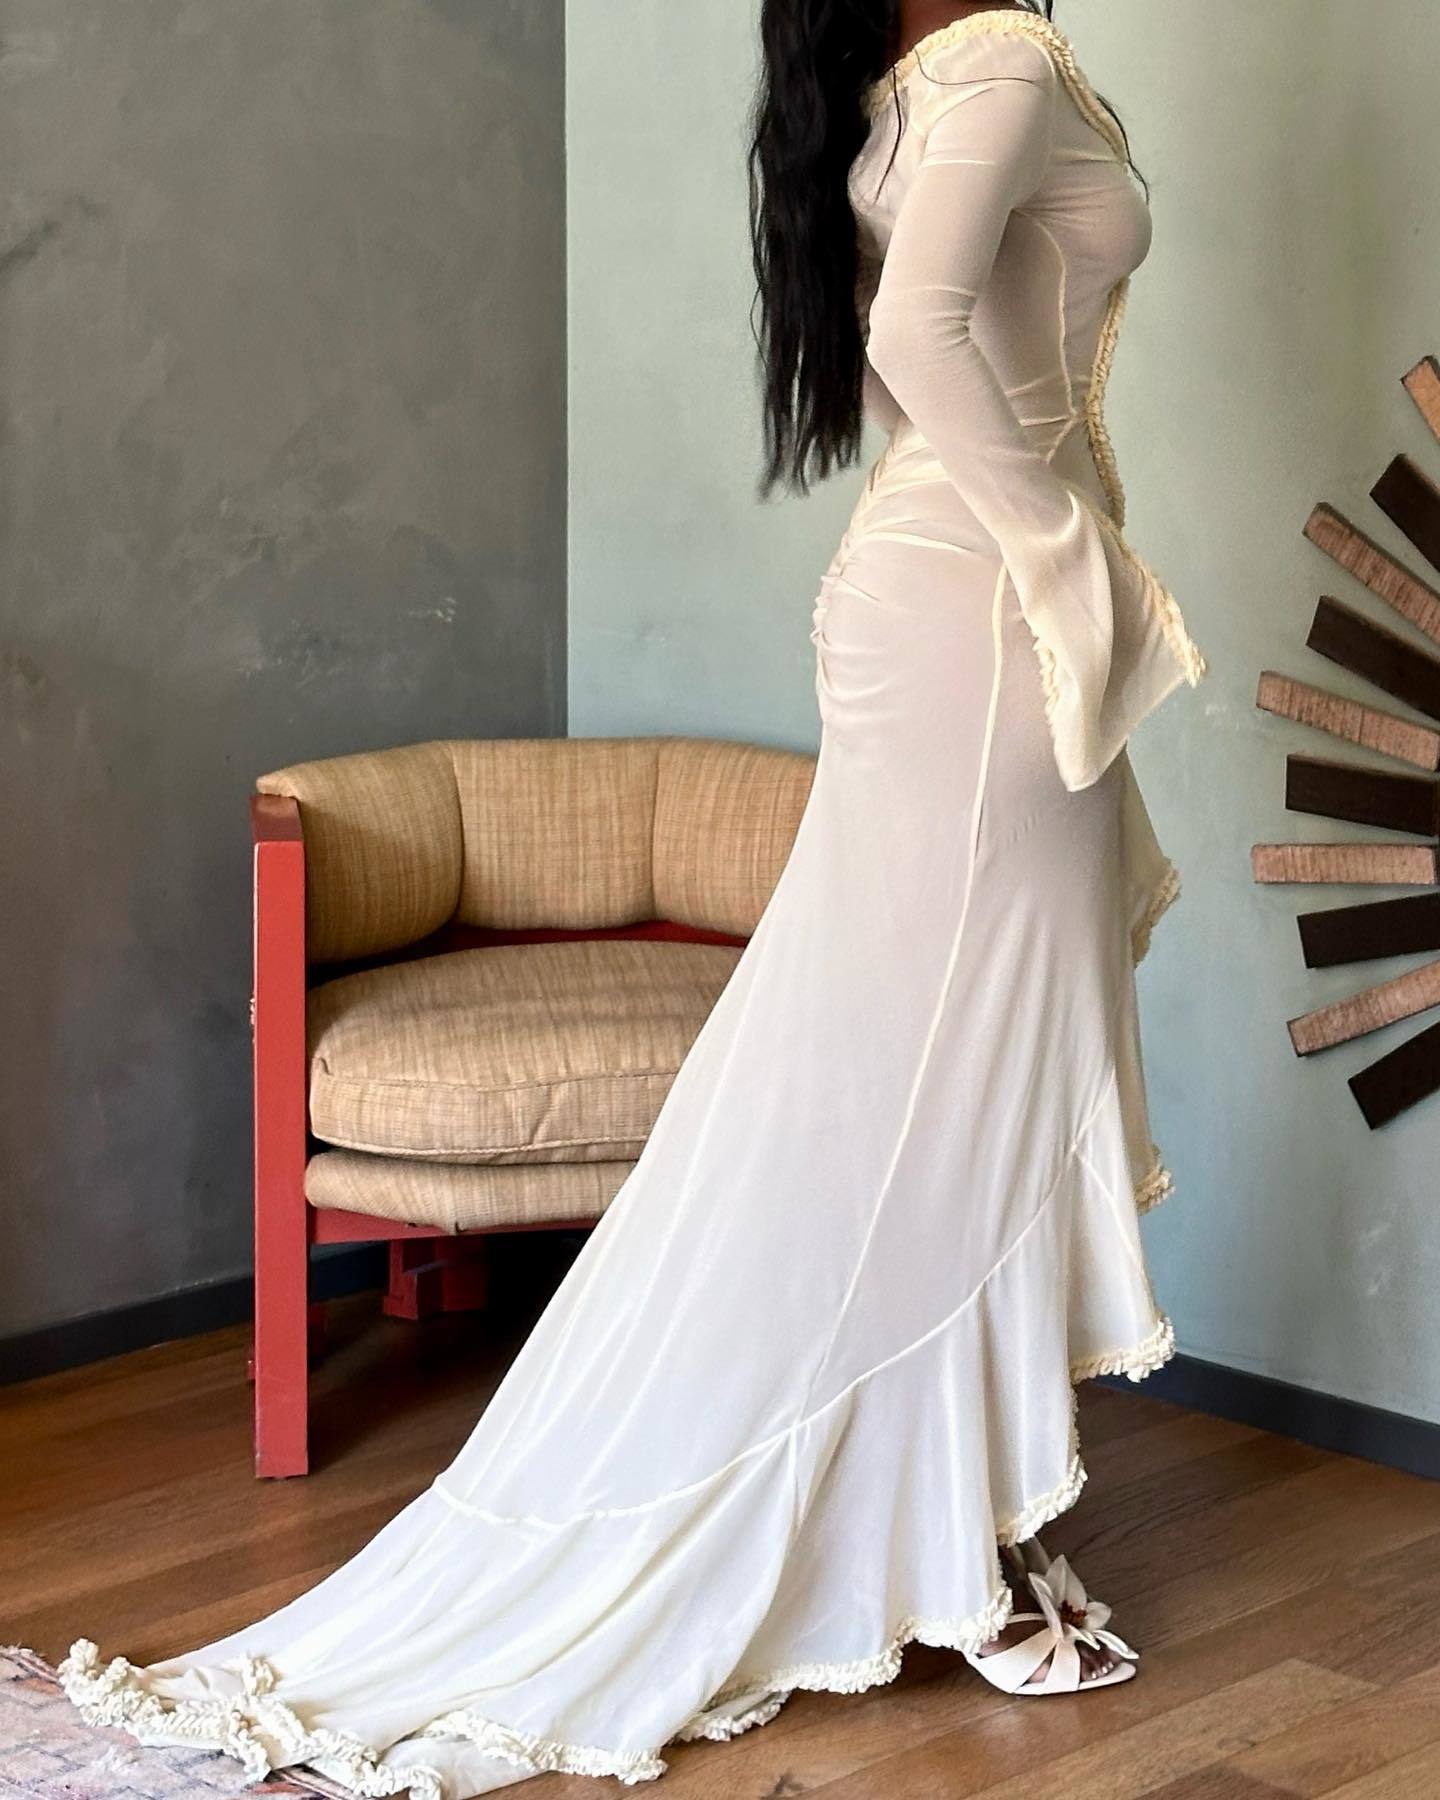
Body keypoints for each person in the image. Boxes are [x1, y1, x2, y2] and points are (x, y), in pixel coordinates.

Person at [56, 1, 1206, 1791]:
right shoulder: (989, 65)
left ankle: (958, 1511)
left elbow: (907, 353)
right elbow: (914, 331)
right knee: (951, 1088)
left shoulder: (906, 93)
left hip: (945, 597)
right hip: (988, 619)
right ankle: (958, 1551)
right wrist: (1075, 563)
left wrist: (1044, 548)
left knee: (926, 1084)